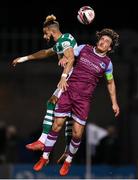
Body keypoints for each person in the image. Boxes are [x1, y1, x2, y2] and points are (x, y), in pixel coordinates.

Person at [32, 28, 120, 176]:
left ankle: (68, 161)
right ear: (98, 40)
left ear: (109, 48)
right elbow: (70, 55)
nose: (103, 42)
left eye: (107, 42)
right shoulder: (84, 48)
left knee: (77, 134)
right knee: (56, 125)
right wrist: (65, 58)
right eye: (102, 39)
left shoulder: (107, 63)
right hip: (68, 91)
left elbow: (110, 83)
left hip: (83, 100)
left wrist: (114, 102)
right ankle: (44, 157)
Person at [12, 14, 77, 162]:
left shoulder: (64, 42)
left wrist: (63, 77)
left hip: (72, 78)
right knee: (67, 115)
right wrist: (24, 58)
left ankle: (42, 141)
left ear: (50, 30)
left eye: (44, 32)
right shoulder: (65, 38)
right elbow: (45, 53)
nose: (44, 36)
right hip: (76, 79)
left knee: (52, 103)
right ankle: (67, 150)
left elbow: (71, 57)